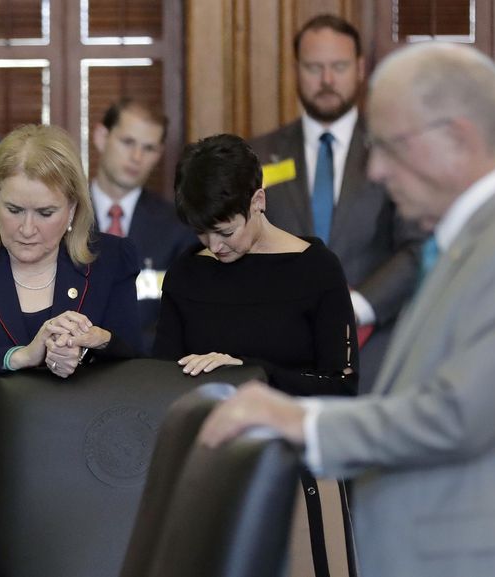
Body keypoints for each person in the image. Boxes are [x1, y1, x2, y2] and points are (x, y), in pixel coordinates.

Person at [199, 42, 495, 577]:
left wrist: (300, 419)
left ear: (457, 137)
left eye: (389, 146)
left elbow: (456, 415)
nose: (374, 170)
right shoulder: (470, 236)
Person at [0, 124, 142, 575]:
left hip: (80, 496)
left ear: (74, 208)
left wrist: (97, 343)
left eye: (45, 212)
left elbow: (136, 360)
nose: (25, 229)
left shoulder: (109, 262)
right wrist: (18, 356)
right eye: (13, 209)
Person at [153, 133, 357, 576]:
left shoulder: (316, 269)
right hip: (209, 473)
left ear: (258, 201)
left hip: (301, 474)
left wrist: (252, 374)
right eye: (202, 233)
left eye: (225, 231)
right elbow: (161, 380)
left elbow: (342, 389)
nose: (215, 246)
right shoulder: (188, 274)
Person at [249, 14, 424, 393]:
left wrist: (358, 305)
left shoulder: (394, 150)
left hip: (375, 354)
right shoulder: (259, 156)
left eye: (338, 67)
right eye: (314, 67)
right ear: (295, 70)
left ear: (360, 68)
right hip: (279, 361)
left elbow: (417, 247)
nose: (327, 80)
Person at [91, 98, 198, 350]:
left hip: (146, 371)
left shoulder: (178, 228)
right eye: (127, 142)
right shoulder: (62, 217)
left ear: (159, 154)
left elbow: (182, 320)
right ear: (101, 137)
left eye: (148, 148)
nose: (136, 157)